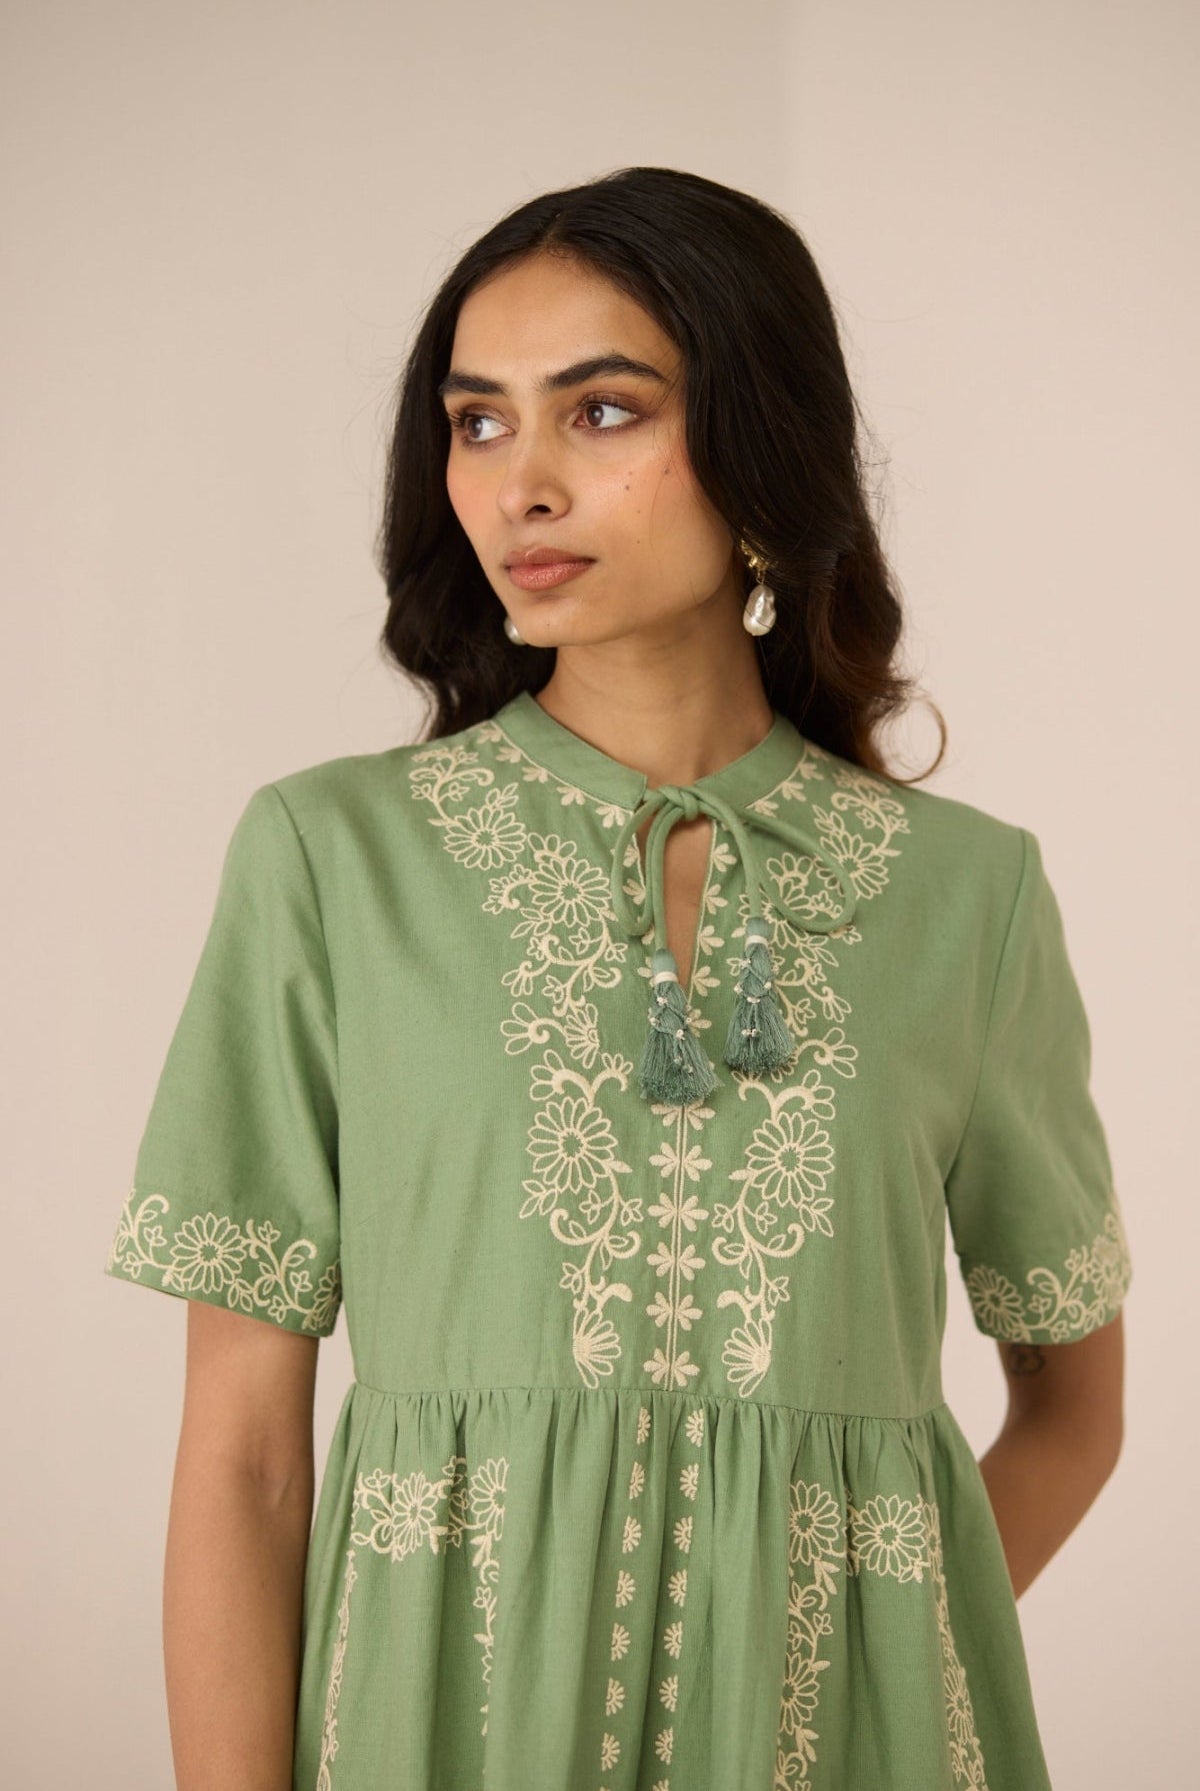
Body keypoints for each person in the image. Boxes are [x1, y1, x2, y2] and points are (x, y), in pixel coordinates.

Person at [104, 166, 1132, 1791]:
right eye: (478, 420)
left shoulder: (968, 896)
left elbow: (1077, 1406)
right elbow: (244, 1462)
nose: (519, 484)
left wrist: (865, 1665)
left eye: (598, 413)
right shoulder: (332, 861)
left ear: (760, 443)